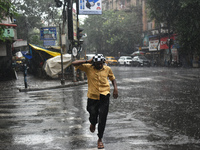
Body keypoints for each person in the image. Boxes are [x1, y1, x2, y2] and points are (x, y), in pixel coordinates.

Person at [72, 54, 118, 149]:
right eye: (97, 64)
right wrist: (87, 61)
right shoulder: (88, 68)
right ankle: (93, 122)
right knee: (92, 112)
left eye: (101, 63)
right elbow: (73, 63)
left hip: (104, 96)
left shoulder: (107, 69)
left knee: (103, 117)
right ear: (94, 63)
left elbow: (113, 79)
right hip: (92, 97)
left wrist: (115, 89)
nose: (100, 65)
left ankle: (100, 139)